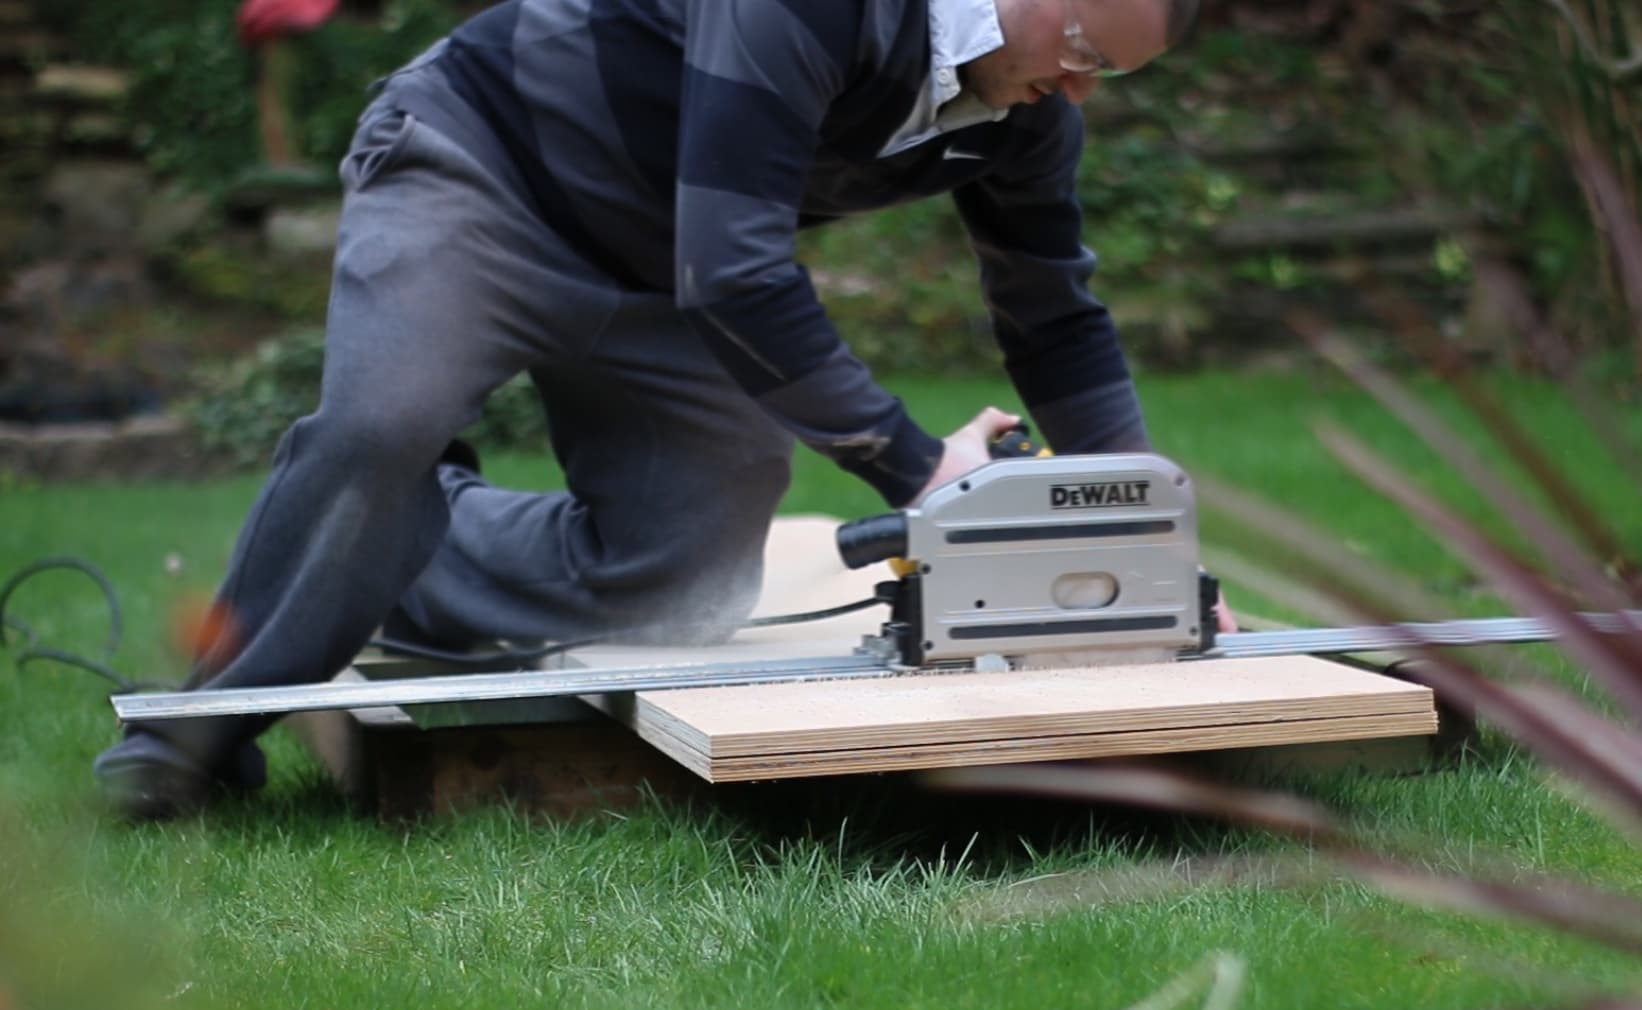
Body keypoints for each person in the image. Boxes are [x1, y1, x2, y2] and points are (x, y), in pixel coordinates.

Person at [95, 0, 1227, 820]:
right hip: (484, 170)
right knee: (381, 427)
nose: (1078, 88)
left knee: (689, 576)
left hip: (659, 260)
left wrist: (1148, 550)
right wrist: (922, 473)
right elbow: (739, 276)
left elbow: (1055, 323)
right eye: (1081, 49)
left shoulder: (1024, 120)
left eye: (1108, 75)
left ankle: (410, 542)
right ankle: (189, 732)